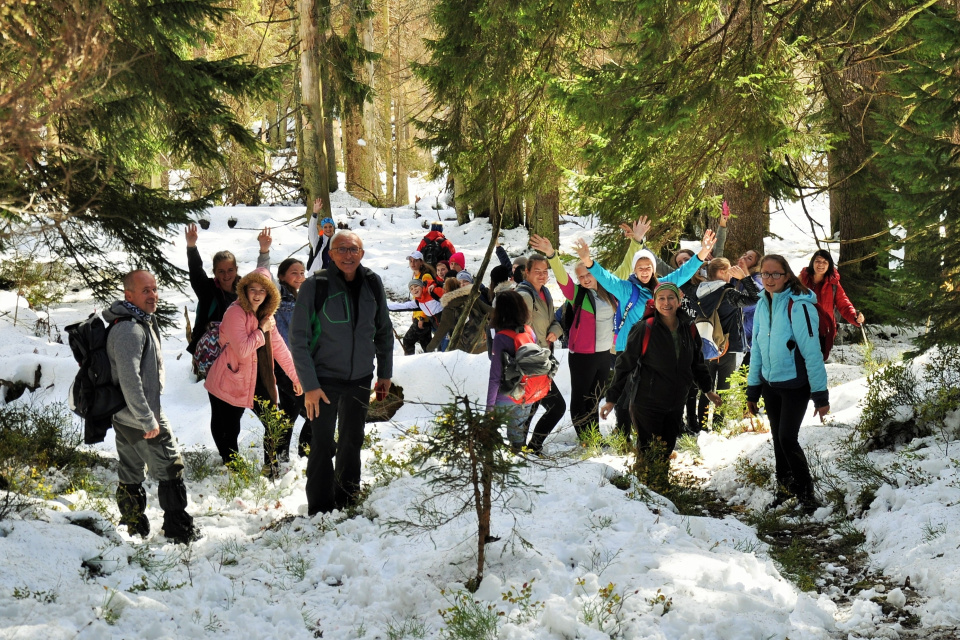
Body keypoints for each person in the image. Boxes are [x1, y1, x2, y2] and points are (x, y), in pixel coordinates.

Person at [575, 226, 717, 439]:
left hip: (655, 348)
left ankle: (654, 432)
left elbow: (684, 272)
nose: (644, 270)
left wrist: (703, 252)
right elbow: (605, 278)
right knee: (626, 393)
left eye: (648, 266)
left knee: (650, 391)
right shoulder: (626, 289)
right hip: (628, 347)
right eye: (640, 267)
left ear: (653, 268)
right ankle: (623, 434)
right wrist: (588, 261)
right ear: (634, 269)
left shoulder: (663, 286)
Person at [289, 231, 394, 515]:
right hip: (323, 381)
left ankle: (347, 498)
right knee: (322, 444)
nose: (349, 255)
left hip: (360, 378)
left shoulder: (372, 282)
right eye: (342, 249)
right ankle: (320, 508)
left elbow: (383, 330)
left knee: (352, 440)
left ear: (362, 253)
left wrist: (384, 373)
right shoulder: (316, 286)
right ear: (331, 254)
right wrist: (309, 385)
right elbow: (297, 340)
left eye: (354, 249)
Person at [105, 270, 200, 543]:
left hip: (125, 416)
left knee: (131, 470)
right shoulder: (129, 329)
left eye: (154, 289)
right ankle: (179, 530)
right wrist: (148, 419)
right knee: (171, 468)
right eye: (145, 290)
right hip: (140, 416)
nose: (152, 295)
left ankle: (134, 526)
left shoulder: (139, 322)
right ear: (129, 295)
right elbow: (129, 380)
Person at [600, 283, 721, 490]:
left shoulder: (689, 327)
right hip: (647, 401)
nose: (667, 303)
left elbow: (697, 362)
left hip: (675, 401)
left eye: (671, 298)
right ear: (654, 303)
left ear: (679, 301)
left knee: (666, 447)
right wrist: (612, 399)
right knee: (649, 448)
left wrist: (707, 389)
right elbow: (625, 364)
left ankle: (659, 487)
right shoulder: (644, 328)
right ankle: (644, 491)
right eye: (661, 298)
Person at [746, 255, 830, 514]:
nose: (769, 279)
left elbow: (812, 352)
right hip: (771, 384)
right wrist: (753, 388)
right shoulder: (762, 304)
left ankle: (807, 495)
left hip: (796, 384)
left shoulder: (799, 305)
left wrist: (820, 395)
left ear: (787, 275)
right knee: (778, 439)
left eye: (775, 274)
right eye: (765, 274)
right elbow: (757, 349)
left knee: (787, 438)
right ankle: (785, 489)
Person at [204, 269, 303, 475]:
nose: (257, 294)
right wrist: (260, 331)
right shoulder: (235, 312)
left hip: (257, 380)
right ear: (245, 291)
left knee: (273, 422)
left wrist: (296, 377)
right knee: (228, 428)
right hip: (230, 379)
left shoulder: (267, 317)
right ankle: (232, 466)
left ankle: (270, 466)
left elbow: (280, 349)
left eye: (262, 291)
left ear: (269, 294)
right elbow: (242, 350)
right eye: (253, 289)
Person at [530, 234, 616, 439]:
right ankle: (584, 437)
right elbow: (563, 279)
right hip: (582, 354)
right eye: (581, 277)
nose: (585, 279)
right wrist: (551, 255)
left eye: (588, 274)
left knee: (594, 399)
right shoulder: (578, 294)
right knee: (580, 399)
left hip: (604, 353)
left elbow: (624, 268)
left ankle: (593, 435)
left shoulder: (611, 291)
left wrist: (636, 242)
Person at [693, 257, 760, 430]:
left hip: (705, 344)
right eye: (729, 269)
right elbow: (756, 298)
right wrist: (745, 277)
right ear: (722, 272)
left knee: (706, 388)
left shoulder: (699, 291)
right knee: (723, 387)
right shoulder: (727, 293)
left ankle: (701, 426)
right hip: (726, 346)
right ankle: (717, 425)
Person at [514, 253, 565, 453]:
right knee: (557, 407)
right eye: (537, 271)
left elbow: (552, 321)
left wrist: (557, 331)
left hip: (542, 359)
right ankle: (532, 447)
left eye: (545, 271)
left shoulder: (544, 292)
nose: (542, 275)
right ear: (526, 272)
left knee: (531, 408)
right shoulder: (524, 296)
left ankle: (521, 449)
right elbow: (518, 330)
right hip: (531, 363)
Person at [487, 291, 537, 450]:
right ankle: (520, 465)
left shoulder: (501, 338)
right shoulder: (529, 331)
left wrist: (489, 408)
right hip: (528, 394)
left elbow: (495, 376)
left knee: (489, 432)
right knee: (517, 436)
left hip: (508, 395)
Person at [799, 249, 865, 357]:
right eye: (818, 261)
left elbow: (844, 304)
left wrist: (855, 316)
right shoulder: (802, 280)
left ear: (829, 265)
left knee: (817, 362)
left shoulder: (833, 284)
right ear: (812, 263)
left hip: (825, 331)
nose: (821, 265)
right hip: (803, 329)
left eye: (825, 262)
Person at [425, 277, 493, 354]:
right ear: (459, 286)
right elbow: (491, 312)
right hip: (484, 341)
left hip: (466, 349)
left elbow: (441, 332)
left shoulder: (449, 308)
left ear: (445, 291)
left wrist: (428, 349)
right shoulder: (471, 298)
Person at [389, 278, 443, 355]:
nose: (414, 289)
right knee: (439, 349)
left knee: (445, 349)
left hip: (447, 325)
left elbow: (448, 292)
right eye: (411, 288)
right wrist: (385, 306)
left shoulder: (432, 292)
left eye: (416, 286)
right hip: (437, 328)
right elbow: (403, 306)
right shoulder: (418, 301)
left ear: (421, 286)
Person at [307, 198, 335, 272]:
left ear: (333, 227)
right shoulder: (318, 243)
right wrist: (315, 213)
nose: (328, 229)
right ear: (322, 228)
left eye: (330, 226)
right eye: (325, 227)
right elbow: (311, 231)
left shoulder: (338, 241)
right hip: (317, 276)